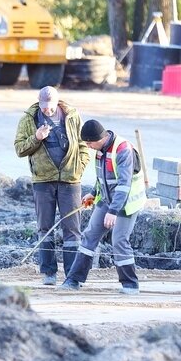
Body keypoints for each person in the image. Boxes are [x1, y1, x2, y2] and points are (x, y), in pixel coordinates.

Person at [59, 119, 146, 295]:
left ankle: (130, 285)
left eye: (90, 143)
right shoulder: (100, 151)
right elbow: (103, 179)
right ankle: (73, 279)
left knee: (119, 240)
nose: (89, 147)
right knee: (89, 235)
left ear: (99, 138)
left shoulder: (123, 150)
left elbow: (123, 184)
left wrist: (113, 211)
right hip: (107, 199)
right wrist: (93, 193)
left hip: (126, 203)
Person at [14, 86, 90, 285]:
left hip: (70, 180)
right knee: (45, 228)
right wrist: (37, 138)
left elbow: (83, 146)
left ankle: (72, 275)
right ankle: (48, 273)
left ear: (57, 103)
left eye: (50, 107)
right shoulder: (28, 119)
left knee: (72, 230)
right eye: (43, 107)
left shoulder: (72, 117)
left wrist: (79, 168)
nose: (47, 110)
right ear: (38, 102)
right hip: (43, 180)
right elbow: (19, 149)